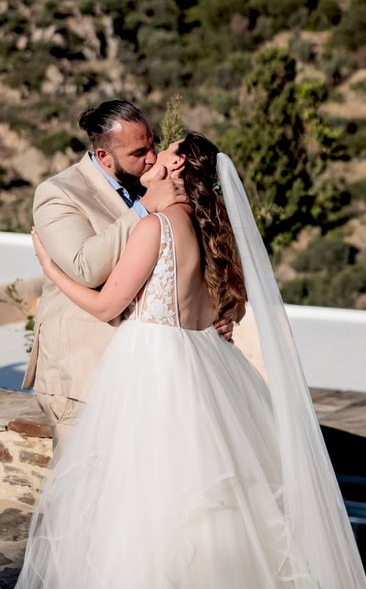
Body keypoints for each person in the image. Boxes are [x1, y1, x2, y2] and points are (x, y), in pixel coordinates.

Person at [17, 133, 366, 588]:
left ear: (177, 165)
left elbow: (105, 306)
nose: (155, 155)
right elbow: (231, 304)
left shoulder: (156, 227)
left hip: (155, 368)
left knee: (147, 501)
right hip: (208, 362)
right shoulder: (213, 228)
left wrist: (51, 269)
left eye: (164, 149)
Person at [22, 100, 234, 448]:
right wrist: (143, 207)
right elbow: (85, 268)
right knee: (81, 479)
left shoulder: (150, 184)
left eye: (152, 145)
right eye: (139, 152)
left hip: (145, 380)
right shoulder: (60, 193)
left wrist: (223, 313)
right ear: (104, 156)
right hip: (83, 378)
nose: (151, 157)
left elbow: (204, 268)